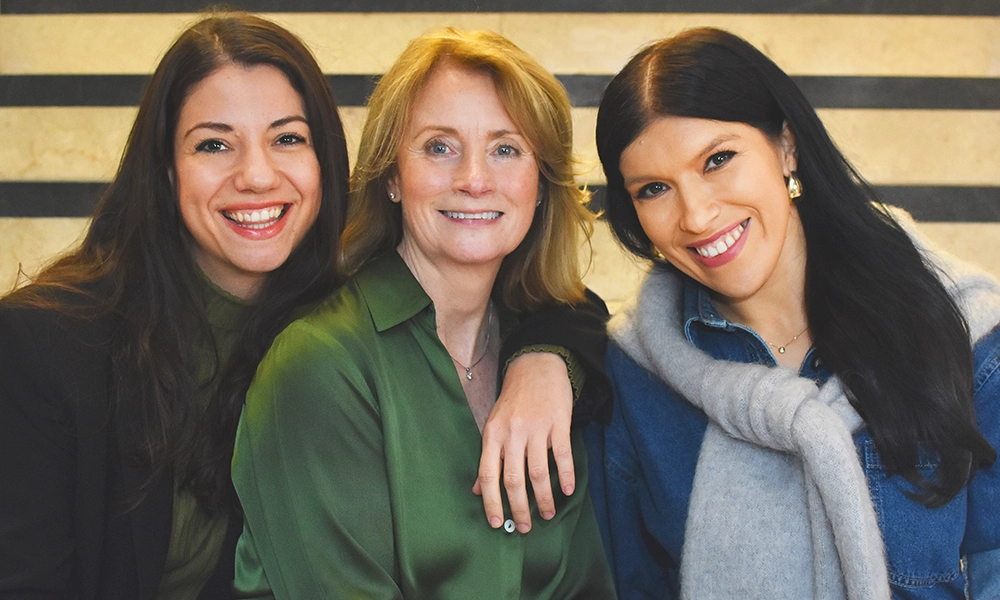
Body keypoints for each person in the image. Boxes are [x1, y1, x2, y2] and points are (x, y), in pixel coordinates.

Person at [0, 13, 606, 599]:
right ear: (164, 171)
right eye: (214, 145)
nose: (258, 177)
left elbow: (548, 297)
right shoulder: (49, 343)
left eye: (288, 138)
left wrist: (546, 360)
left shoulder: (333, 289)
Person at [587, 27, 1000, 599]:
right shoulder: (631, 376)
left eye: (718, 160)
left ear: (786, 145)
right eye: (654, 188)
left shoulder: (966, 334)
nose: (698, 216)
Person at [230, 28, 617, 598]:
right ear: (392, 175)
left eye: (505, 149)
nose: (474, 180)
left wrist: (552, 361)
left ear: (541, 185)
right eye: (440, 146)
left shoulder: (543, 361)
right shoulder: (319, 365)